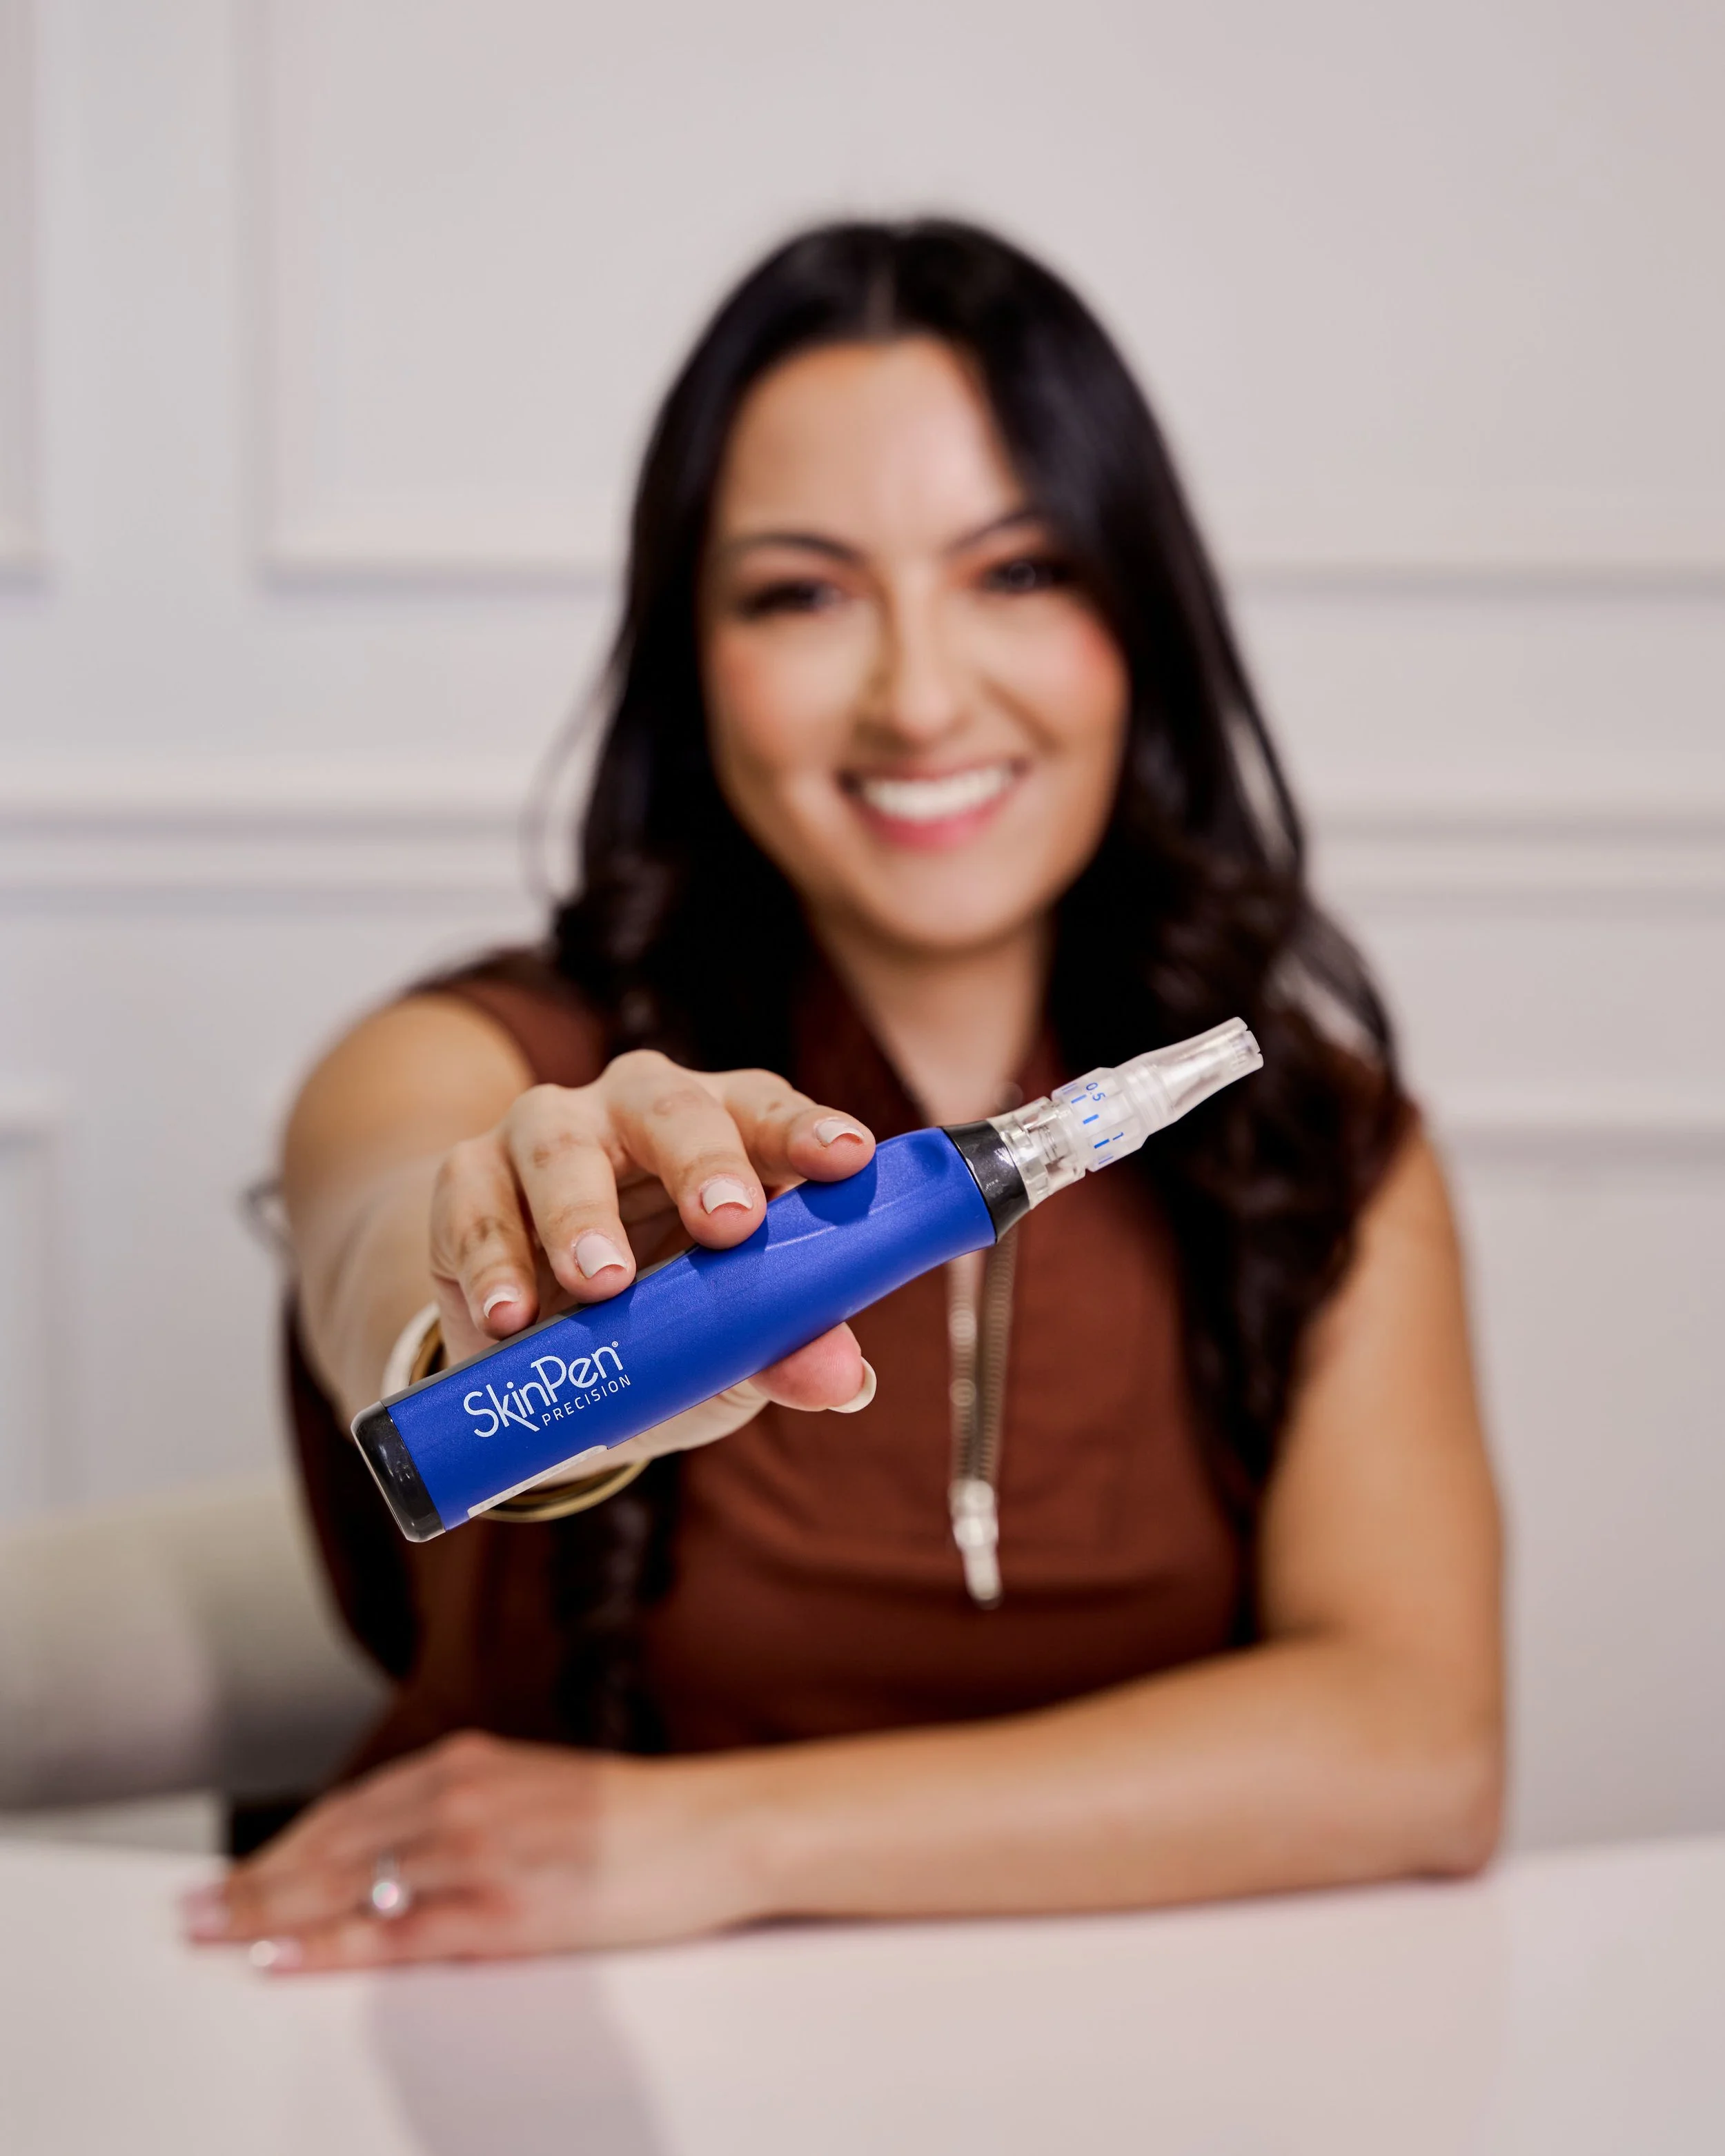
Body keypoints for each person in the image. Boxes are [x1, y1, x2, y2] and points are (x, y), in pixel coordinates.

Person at [182, 221, 1502, 1972]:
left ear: (1141, 615)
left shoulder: (1318, 1157)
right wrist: (500, 1330)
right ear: (689, 653)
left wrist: (716, 1838)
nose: (919, 693)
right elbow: (389, 1291)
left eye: (1016, 570)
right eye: (801, 592)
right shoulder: (474, 1059)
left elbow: (1416, 1743)